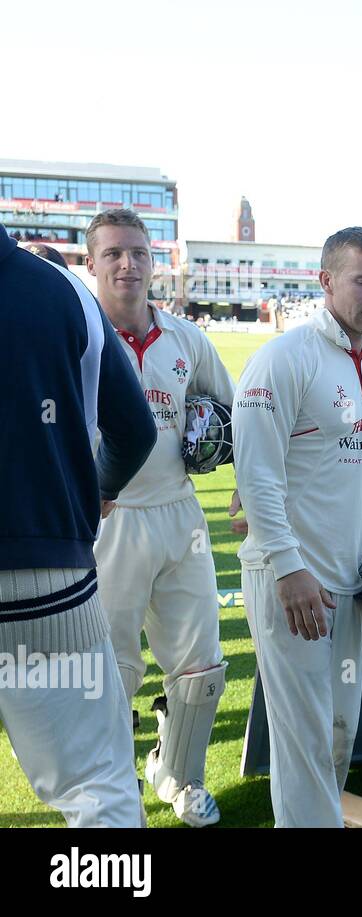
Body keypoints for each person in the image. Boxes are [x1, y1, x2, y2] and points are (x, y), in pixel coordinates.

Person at [233, 226, 362, 827]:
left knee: (338, 730)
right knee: (304, 738)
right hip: (292, 579)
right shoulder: (284, 358)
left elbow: (360, 459)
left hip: (351, 579)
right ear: (326, 281)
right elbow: (255, 477)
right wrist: (288, 567)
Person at [0, 222, 156, 826]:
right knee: (96, 786)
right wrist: (92, 496)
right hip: (49, 576)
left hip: (52, 566)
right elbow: (134, 428)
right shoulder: (62, 291)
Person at [85, 209, 236, 827]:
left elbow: (229, 413)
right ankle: (113, 786)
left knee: (201, 669)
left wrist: (241, 484)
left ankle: (179, 778)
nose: (129, 264)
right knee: (113, 670)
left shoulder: (186, 339)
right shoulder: (78, 337)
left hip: (180, 514)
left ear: (155, 261)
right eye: (115, 253)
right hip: (108, 518)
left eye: (139, 253)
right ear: (91, 264)